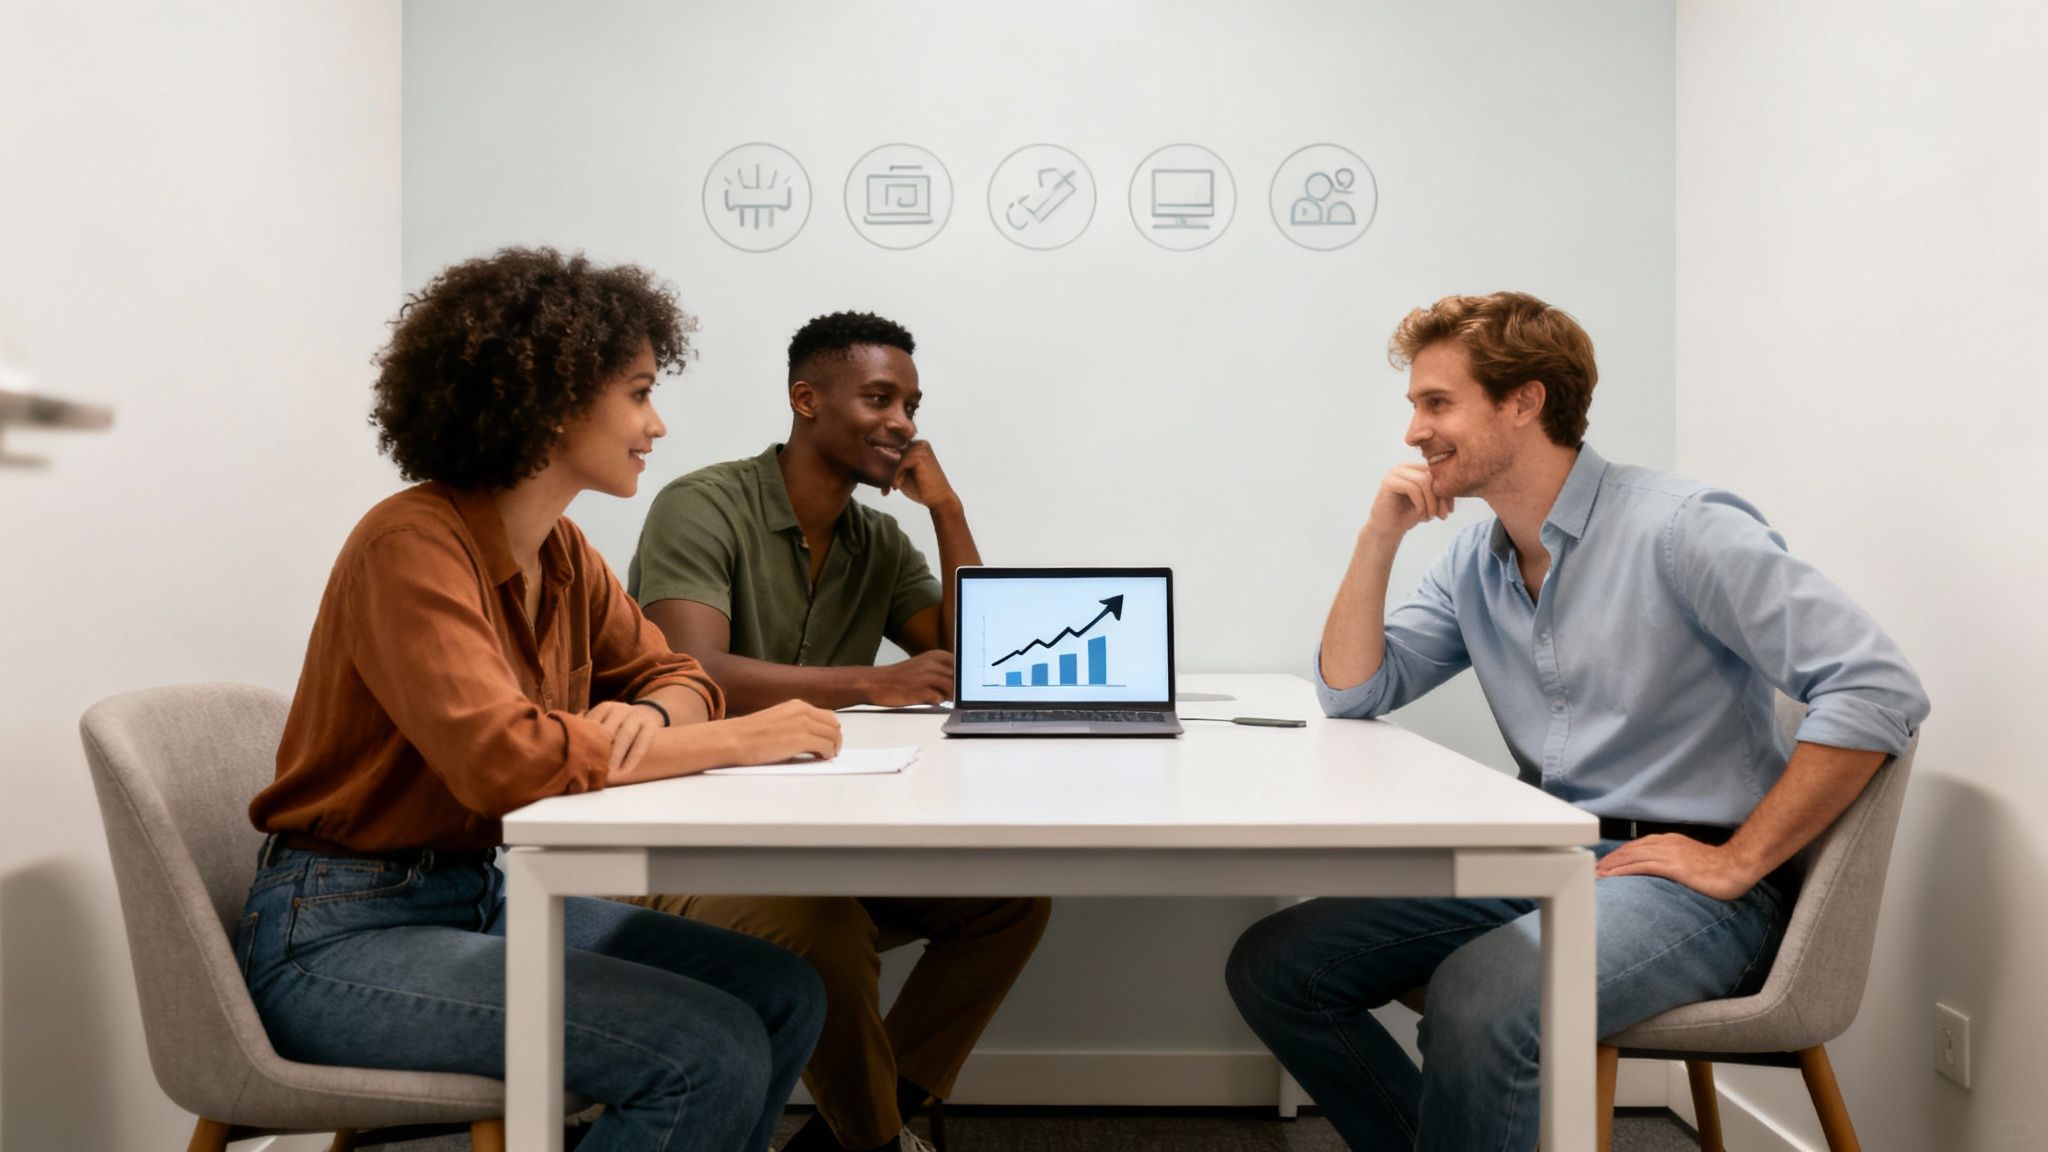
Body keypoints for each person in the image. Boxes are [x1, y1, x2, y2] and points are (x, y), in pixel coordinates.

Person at [1224, 291, 1929, 1151]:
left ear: (1524, 401)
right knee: (1280, 966)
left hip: (1688, 886)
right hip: (1556, 858)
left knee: (1488, 996)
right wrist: (1380, 538)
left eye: (1436, 403)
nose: (1413, 432)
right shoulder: (1473, 561)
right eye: (1415, 405)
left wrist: (1738, 860)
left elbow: (1876, 687)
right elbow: (1353, 691)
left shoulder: (1682, 528)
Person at [240, 247, 839, 1152]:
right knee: (702, 1051)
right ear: (553, 401)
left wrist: (650, 716)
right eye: (638, 393)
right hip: (338, 934)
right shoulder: (409, 547)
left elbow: (679, 676)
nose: (658, 423)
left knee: (784, 991)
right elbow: (505, 762)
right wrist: (741, 741)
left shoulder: (563, 552)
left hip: (476, 896)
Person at [621, 312, 1051, 1152]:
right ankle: (880, 1142)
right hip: (684, 844)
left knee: (1010, 899)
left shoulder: (878, 540)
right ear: (806, 399)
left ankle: (851, 1134)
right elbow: (693, 667)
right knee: (826, 927)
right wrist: (871, 683)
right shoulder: (701, 505)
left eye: (912, 404)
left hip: (805, 829)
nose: (903, 422)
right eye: (880, 398)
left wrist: (947, 509)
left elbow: (975, 657)